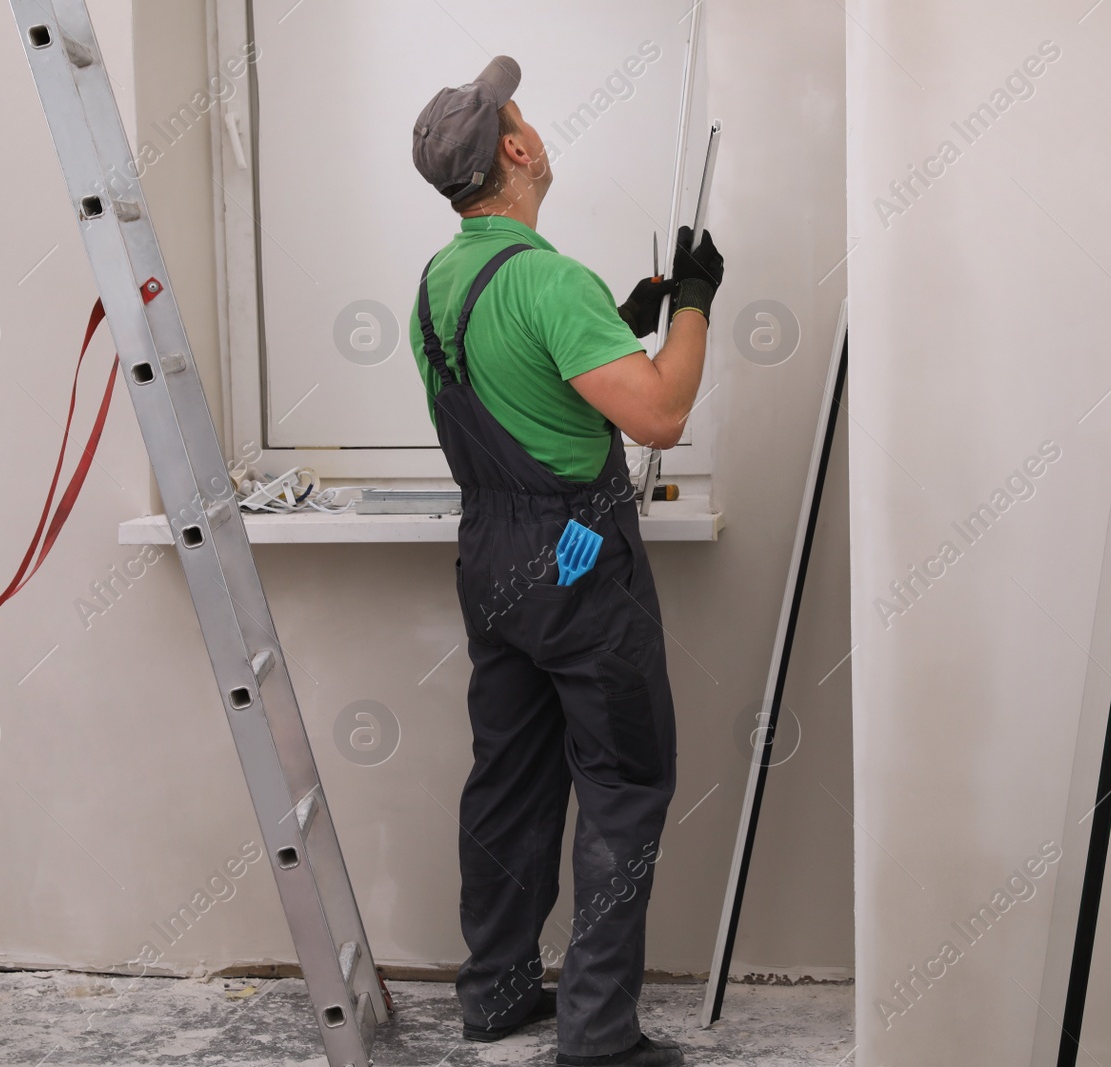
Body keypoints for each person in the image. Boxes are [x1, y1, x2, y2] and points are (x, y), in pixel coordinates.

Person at [409, 57, 723, 1067]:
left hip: (490, 554)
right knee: (624, 780)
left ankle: (495, 990)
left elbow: (522, 385)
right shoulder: (550, 278)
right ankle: (596, 1035)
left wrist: (620, 324)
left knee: (509, 775)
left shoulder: (443, 279)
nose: (534, 126)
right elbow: (661, 415)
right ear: (516, 149)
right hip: (576, 555)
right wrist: (692, 307)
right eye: (523, 116)